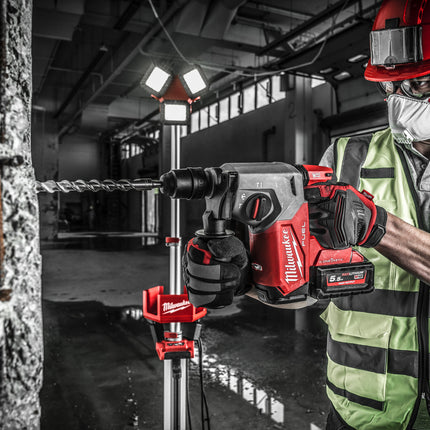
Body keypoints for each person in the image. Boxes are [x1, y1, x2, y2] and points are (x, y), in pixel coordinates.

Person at [183, 0, 430, 428]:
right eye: (389, 87)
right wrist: (249, 278)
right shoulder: (346, 158)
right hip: (361, 410)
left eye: (418, 84)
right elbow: (311, 283)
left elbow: (375, 230)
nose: (399, 101)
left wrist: (378, 227)